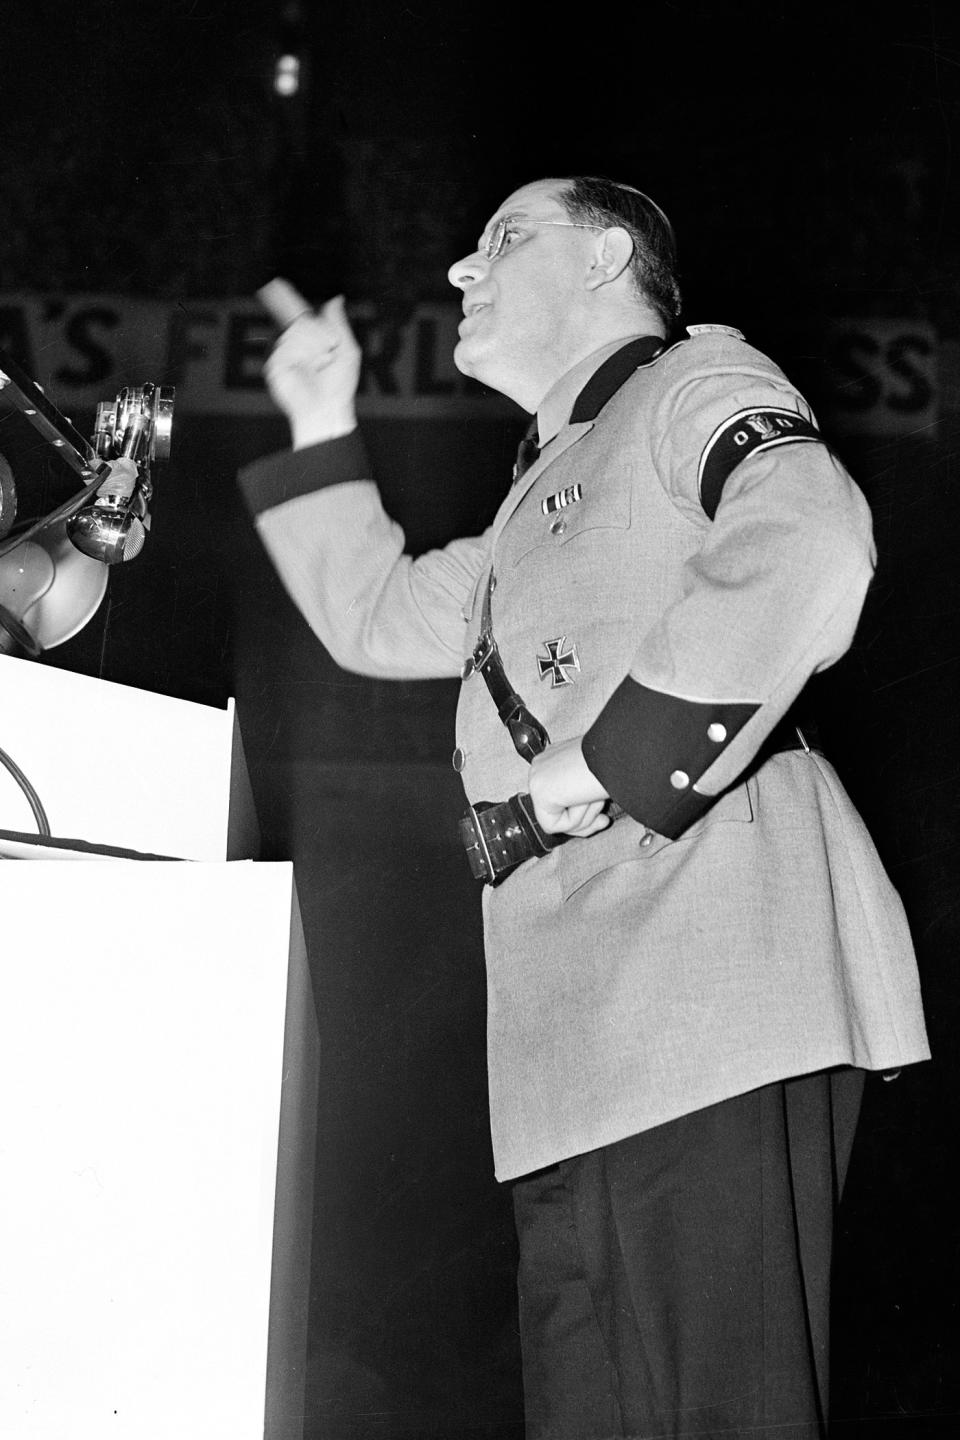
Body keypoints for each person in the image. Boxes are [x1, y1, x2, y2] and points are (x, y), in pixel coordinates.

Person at [239, 175, 930, 1440]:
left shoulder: (694, 385)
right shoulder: (530, 506)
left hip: (710, 984)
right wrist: (321, 421)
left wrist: (615, 762)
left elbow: (814, 533)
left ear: (612, 255)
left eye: (505, 237)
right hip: (574, 1045)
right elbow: (377, 615)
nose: (461, 269)